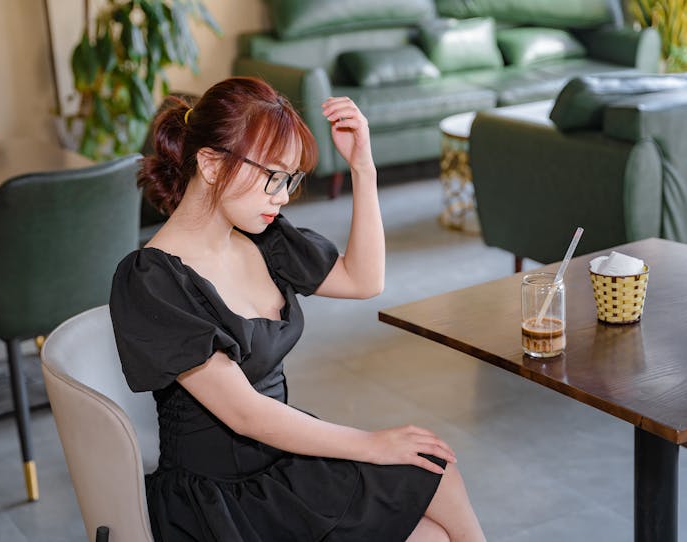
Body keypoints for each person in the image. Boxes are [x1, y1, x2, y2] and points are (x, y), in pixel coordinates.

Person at [109, 77, 485, 542]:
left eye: (290, 179)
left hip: (280, 458)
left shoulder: (261, 237)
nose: (283, 195)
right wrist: (372, 444)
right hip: (219, 502)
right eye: (273, 176)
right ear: (209, 164)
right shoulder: (151, 280)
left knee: (436, 470)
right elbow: (246, 414)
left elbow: (364, 280)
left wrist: (362, 168)